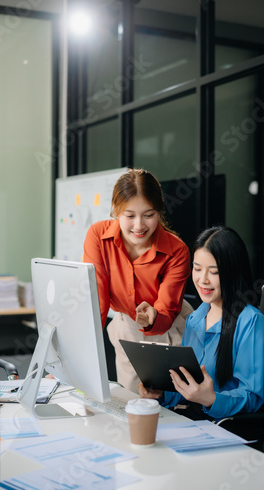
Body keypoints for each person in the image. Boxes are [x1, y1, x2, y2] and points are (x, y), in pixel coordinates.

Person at [139, 225, 264, 421]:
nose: (202, 280)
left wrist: (211, 399)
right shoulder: (196, 317)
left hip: (230, 429)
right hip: (195, 420)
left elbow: (252, 397)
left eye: (214, 272)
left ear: (232, 272)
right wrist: (160, 393)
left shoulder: (252, 322)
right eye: (197, 268)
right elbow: (188, 384)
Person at [83, 168, 193, 393]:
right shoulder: (98, 236)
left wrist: (154, 316)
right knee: (131, 403)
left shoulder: (177, 251)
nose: (139, 226)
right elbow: (97, 297)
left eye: (149, 215)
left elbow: (167, 310)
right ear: (115, 210)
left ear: (159, 210)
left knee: (171, 406)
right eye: (130, 215)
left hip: (169, 328)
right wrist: (80, 350)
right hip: (126, 325)